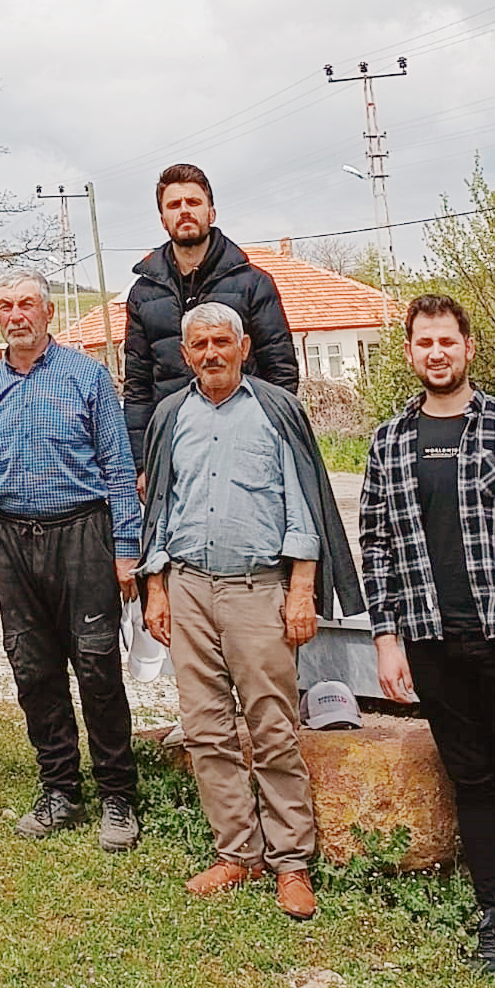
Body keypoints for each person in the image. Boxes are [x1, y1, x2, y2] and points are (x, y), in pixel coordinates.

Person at [358, 294, 495, 988]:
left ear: (469, 347)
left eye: (447, 341)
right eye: (423, 343)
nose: (436, 353)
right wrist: (387, 637)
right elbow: (377, 546)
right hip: (432, 642)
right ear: (410, 354)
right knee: (475, 787)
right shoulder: (389, 441)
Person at [141, 302, 359, 922]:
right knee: (206, 728)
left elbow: (305, 504)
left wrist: (301, 589)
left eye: (221, 342)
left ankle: (292, 862)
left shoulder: (275, 411)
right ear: (185, 355)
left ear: (242, 348)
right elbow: (160, 506)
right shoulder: (169, 416)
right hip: (187, 587)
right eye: (199, 345)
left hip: (258, 590)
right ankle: (236, 852)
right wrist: (156, 588)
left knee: (272, 726)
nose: (210, 353)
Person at [0, 270, 144, 851]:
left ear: (46, 313)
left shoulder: (87, 377)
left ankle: (118, 796)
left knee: (95, 667)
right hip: (10, 541)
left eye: (27, 305)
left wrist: (125, 552)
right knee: (34, 671)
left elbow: (118, 470)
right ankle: (59, 789)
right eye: (6, 306)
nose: (17, 315)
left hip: (82, 535)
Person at [122, 163, 299, 468]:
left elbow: (281, 373)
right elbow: (138, 387)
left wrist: (273, 441)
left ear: (211, 212)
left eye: (194, 202)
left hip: (246, 443)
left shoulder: (253, 284)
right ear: (163, 219)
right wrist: (141, 465)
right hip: (174, 445)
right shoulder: (143, 293)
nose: (184, 211)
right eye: (174, 205)